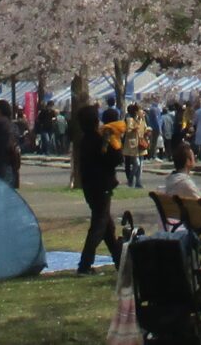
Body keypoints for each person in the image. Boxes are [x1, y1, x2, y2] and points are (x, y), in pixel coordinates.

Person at [71, 104, 123, 275]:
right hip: (102, 187)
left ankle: (119, 260)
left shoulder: (85, 141)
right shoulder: (99, 139)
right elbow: (115, 159)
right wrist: (114, 141)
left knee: (107, 228)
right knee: (99, 226)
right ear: (95, 121)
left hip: (91, 188)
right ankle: (84, 265)